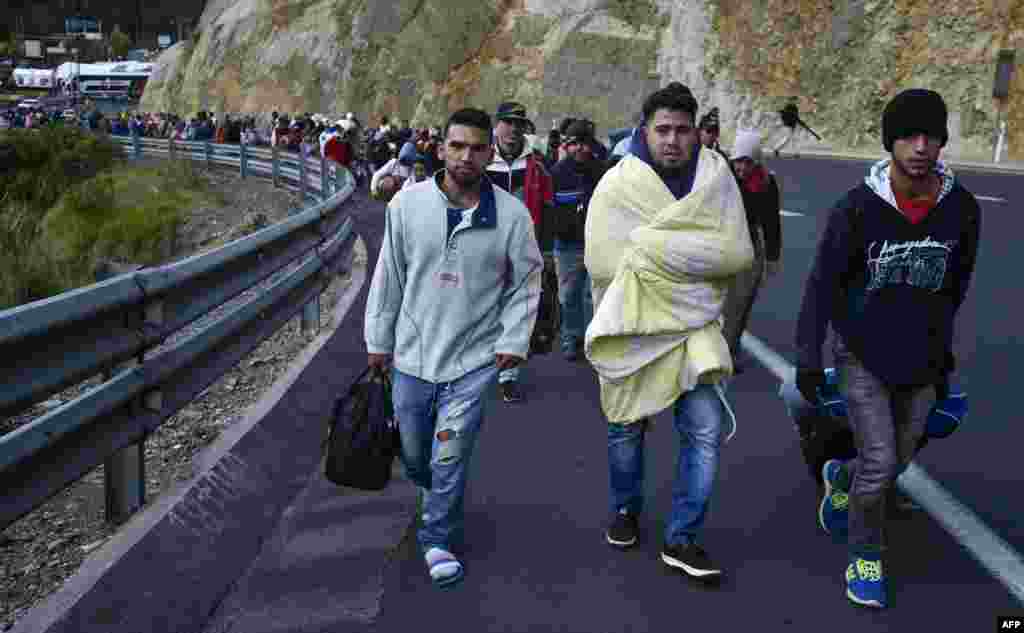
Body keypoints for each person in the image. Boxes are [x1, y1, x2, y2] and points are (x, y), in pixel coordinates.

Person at [794, 89, 981, 609]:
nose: (921, 147)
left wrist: (943, 361)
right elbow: (821, 284)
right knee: (880, 462)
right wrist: (808, 355)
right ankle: (865, 554)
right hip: (862, 354)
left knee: (896, 460)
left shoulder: (962, 210)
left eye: (931, 137)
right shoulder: (857, 208)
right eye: (909, 136)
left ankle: (840, 475)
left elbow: (954, 289)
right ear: (891, 143)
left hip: (921, 359)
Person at [365, 107, 543, 587]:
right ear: (440, 148)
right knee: (415, 449)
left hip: (473, 360)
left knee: (450, 452)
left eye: (477, 148)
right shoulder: (406, 206)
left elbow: (527, 282)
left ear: (491, 153)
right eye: (457, 145)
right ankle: (434, 496)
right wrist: (378, 341)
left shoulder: (511, 216)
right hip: (412, 355)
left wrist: (513, 340)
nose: (466, 156)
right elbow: (389, 277)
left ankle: (436, 537)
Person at [585, 82, 753, 579]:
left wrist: (648, 252)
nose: (673, 140)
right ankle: (625, 508)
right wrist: (686, 261)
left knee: (703, 431)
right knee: (625, 427)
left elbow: (736, 254)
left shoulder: (716, 178)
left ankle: (683, 537)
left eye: (683, 130)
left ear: (697, 133)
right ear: (645, 131)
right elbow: (603, 261)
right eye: (663, 130)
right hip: (634, 326)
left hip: (698, 328)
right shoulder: (618, 185)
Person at [485, 101, 555, 403]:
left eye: (518, 124)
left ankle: (508, 375)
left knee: (518, 310)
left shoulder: (536, 167)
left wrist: (548, 251)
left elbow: (549, 209)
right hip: (484, 247)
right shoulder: (482, 161)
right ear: (496, 126)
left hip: (524, 248)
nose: (513, 129)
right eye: (507, 123)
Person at [720, 129, 782, 371]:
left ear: (756, 161)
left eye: (747, 162)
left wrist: (773, 257)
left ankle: (730, 348)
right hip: (726, 242)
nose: (741, 167)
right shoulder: (724, 178)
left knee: (745, 301)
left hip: (750, 244)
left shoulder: (766, 183)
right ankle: (721, 354)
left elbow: (771, 223)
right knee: (728, 303)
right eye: (738, 161)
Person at [549, 119, 602, 360]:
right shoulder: (556, 173)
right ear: (567, 146)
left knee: (596, 295)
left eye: (585, 143)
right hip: (567, 245)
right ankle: (571, 338)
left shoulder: (601, 171)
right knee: (568, 295)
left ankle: (596, 339)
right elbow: (549, 209)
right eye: (575, 143)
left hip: (597, 244)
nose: (580, 148)